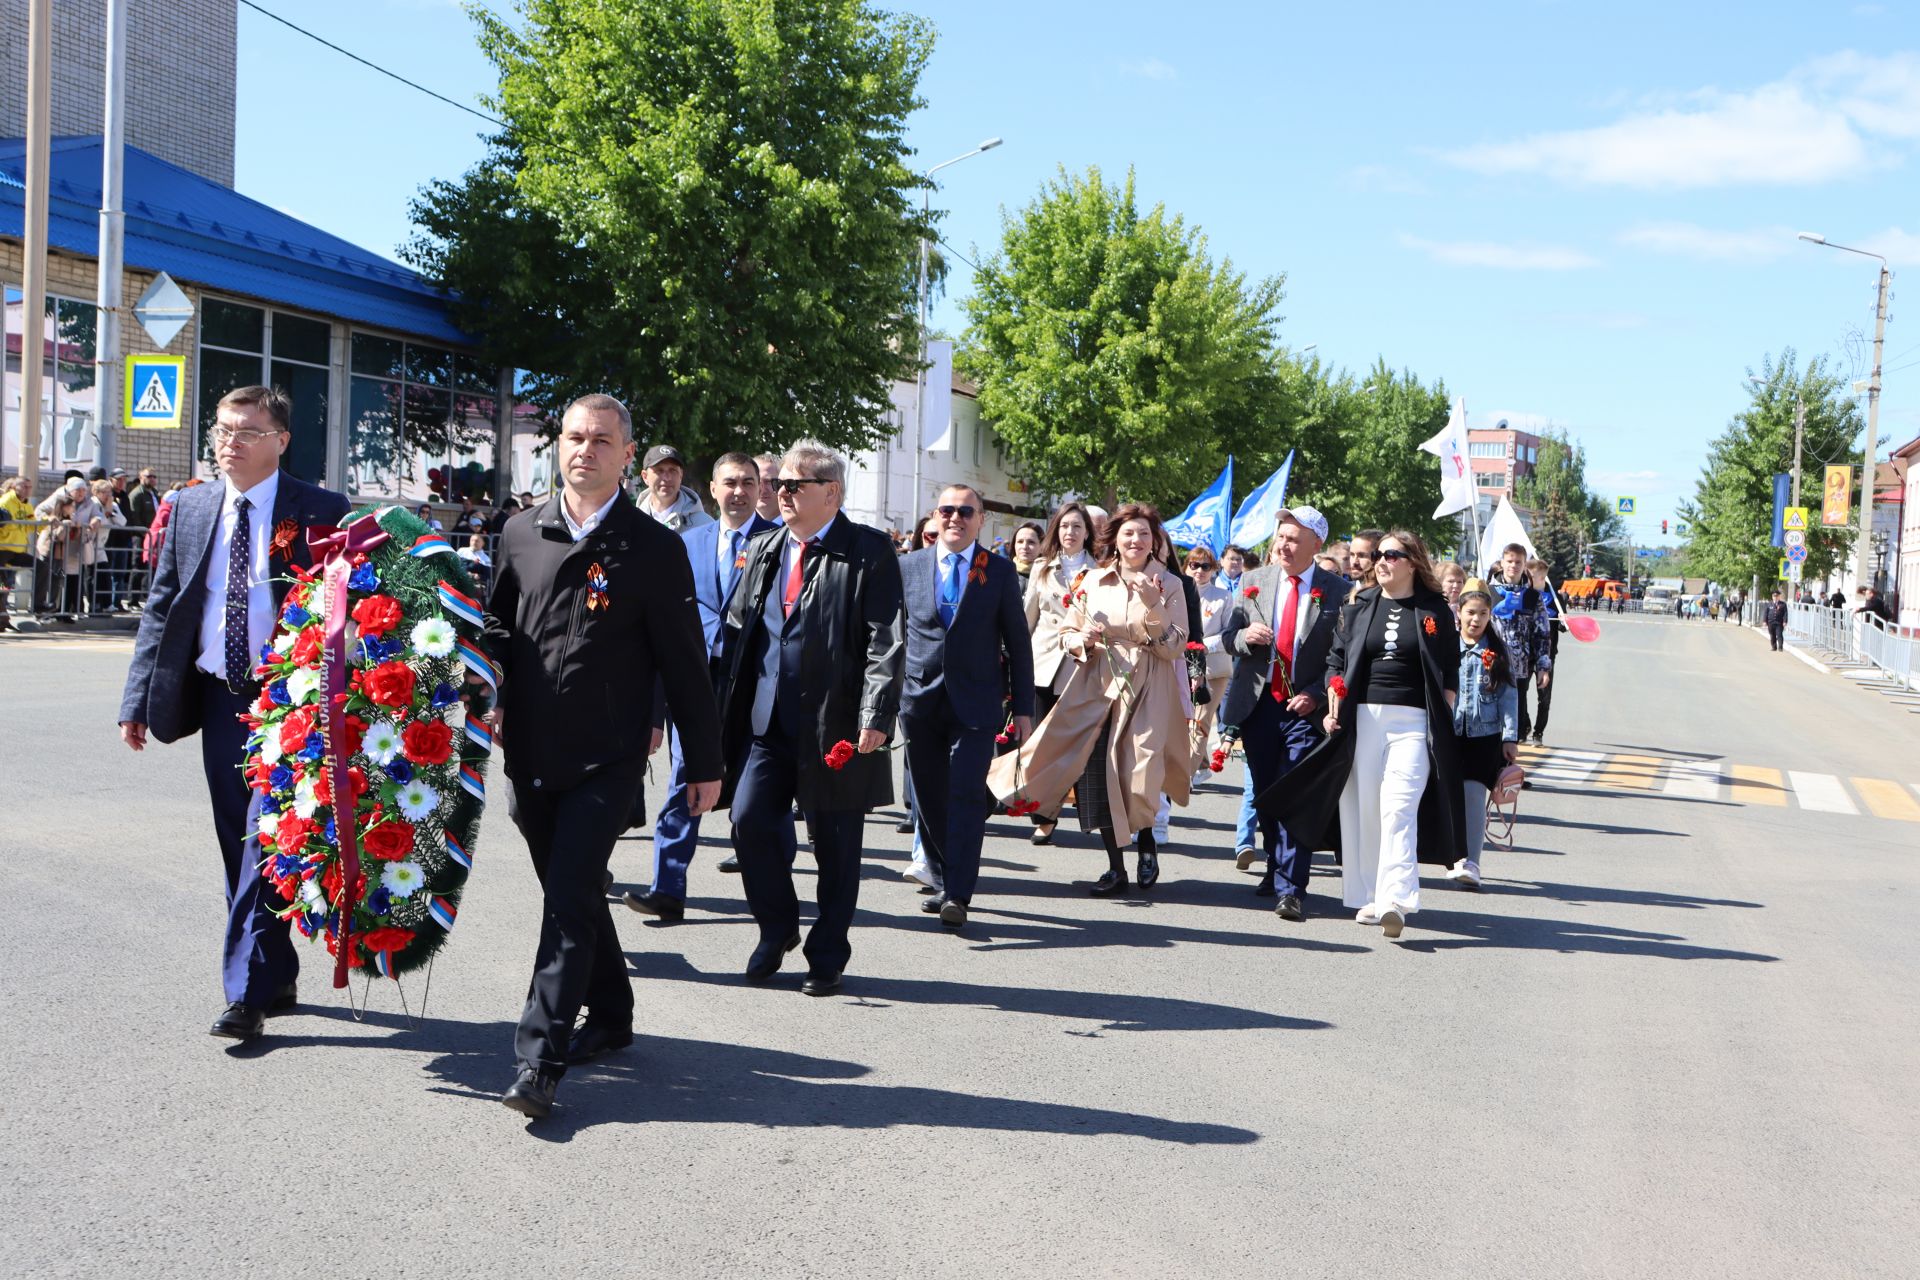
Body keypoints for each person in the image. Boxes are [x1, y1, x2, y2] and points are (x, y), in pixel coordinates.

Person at [483, 393, 723, 1118]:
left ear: (627, 455)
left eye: (601, 440)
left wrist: (704, 762)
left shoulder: (654, 549)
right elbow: (494, 627)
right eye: (574, 437)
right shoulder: (521, 532)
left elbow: (684, 664)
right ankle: (612, 1015)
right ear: (558, 445)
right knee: (575, 891)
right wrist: (479, 686)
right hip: (528, 751)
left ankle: (539, 1061)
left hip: (607, 758)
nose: (584, 449)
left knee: (566, 900)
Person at [118, 385, 351, 1042]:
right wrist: (137, 699)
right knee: (237, 844)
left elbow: (346, 608)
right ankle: (274, 970)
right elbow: (162, 609)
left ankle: (244, 992)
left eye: (247, 430)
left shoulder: (321, 511)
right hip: (220, 699)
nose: (230, 441)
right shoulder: (189, 507)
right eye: (222, 428)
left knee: (261, 838)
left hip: (289, 703)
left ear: (280, 440)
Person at [715, 439, 904, 996]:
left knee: (837, 846)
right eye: (781, 486)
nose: (781, 494)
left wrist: (875, 712)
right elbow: (739, 631)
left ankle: (827, 955)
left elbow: (885, 639)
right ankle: (776, 930)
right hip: (769, 721)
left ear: (832, 493)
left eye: (794, 486)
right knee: (748, 820)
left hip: (836, 725)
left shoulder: (867, 550)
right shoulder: (768, 546)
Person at [1261, 530, 1463, 941]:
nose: (1381, 561)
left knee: (1398, 808)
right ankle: (1371, 894)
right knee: (1366, 809)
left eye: (1391, 554)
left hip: (1413, 723)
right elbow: (1337, 660)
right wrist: (1334, 691)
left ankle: (1395, 899)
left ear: (1412, 561)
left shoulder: (1435, 610)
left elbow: (1450, 670)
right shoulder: (1359, 604)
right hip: (1365, 720)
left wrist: (1443, 716)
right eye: (1379, 554)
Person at [988, 503, 1190, 896]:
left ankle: (1146, 842)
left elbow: (1174, 646)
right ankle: (1116, 867)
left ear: (1155, 542)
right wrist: (1081, 641)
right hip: (1097, 684)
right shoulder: (1093, 580)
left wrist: (1153, 605)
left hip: (1148, 685)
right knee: (1098, 772)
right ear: (1114, 537)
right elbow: (1067, 631)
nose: (1136, 541)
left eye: (1145, 534)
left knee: (1139, 770)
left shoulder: (1169, 584)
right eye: (1129, 533)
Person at [627, 452, 777, 915]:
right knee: (682, 780)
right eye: (730, 482)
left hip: (754, 682)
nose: (739, 491)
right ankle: (668, 889)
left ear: (760, 490)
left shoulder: (779, 544)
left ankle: (772, 897)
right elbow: (659, 624)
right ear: (711, 489)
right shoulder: (688, 543)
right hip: (694, 679)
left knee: (761, 790)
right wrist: (653, 710)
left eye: (749, 483)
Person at [899, 485, 1034, 928]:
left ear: (980, 520)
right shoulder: (909, 566)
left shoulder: (996, 571)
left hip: (976, 704)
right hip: (919, 701)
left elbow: (1018, 643)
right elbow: (891, 638)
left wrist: (1024, 710)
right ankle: (940, 878)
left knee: (965, 794)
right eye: (946, 510)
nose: (955, 518)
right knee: (928, 798)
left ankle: (958, 891)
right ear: (935, 517)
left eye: (965, 511)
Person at [1220, 507, 1348, 919]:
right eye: (1281, 536)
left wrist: (1315, 693)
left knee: (1295, 792)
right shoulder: (1254, 581)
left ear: (1316, 544)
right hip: (1259, 705)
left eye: (1294, 538)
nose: (1284, 545)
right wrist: (1243, 636)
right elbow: (1227, 635)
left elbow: (1339, 654)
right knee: (1265, 793)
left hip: (1305, 711)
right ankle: (1276, 865)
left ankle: (1292, 887)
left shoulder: (1337, 591)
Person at [1021, 501, 1096, 845]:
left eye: (1077, 526)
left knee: (1071, 744)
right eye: (1065, 526)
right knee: (1039, 743)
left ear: (1087, 533)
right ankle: (1044, 813)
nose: (1070, 532)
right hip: (1041, 663)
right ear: (1056, 530)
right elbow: (1027, 619)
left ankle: (1068, 809)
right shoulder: (1042, 568)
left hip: (1080, 667)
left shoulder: (1100, 571)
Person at [1447, 581, 1519, 890]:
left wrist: (1510, 737)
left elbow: (1509, 696)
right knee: (1447, 799)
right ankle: (1451, 854)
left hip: (1484, 736)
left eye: (1483, 613)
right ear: (1459, 613)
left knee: (1474, 796)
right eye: (1471, 613)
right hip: (1448, 734)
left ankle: (1472, 861)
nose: (1476, 620)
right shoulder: (1447, 648)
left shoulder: (1497, 653)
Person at [1489, 545, 1554, 744]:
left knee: (1513, 723)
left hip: (1519, 668)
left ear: (1524, 564)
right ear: (1502, 563)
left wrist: (1543, 667)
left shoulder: (1532, 597)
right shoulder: (1489, 591)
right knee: (1490, 719)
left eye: (1518, 562)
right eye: (1509, 561)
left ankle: (1509, 764)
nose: (1513, 566)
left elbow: (1542, 634)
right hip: (1489, 665)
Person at [1184, 544, 1233, 787]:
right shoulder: (1177, 592)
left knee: (1200, 722)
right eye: (1194, 565)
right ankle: (1199, 763)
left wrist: (1202, 645)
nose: (1199, 571)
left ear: (1213, 569)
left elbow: (1229, 633)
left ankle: (1185, 776)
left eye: (1205, 566)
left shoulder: (1223, 596)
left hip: (1212, 669)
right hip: (1180, 667)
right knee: (1182, 722)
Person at [33, 481, 85, 621]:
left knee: (56, 583)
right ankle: (40, 611)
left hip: (59, 556)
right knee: (45, 583)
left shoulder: (69, 519)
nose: (74, 509)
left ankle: (52, 610)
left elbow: (72, 538)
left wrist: (77, 528)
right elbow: (58, 537)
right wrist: (64, 526)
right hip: (48, 553)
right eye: (71, 506)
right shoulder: (55, 519)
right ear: (64, 507)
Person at [637, 443, 714, 531]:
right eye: (659, 471)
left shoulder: (704, 525)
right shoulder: (631, 522)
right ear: (645, 476)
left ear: (681, 475)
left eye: (672, 470)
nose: (667, 477)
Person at [85, 479, 127, 612]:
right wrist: (106, 514)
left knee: (104, 573)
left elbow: (122, 522)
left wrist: (110, 512)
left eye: (110, 492)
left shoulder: (112, 505)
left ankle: (107, 603)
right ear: (96, 492)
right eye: (105, 492)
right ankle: (94, 604)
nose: (108, 495)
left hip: (101, 543)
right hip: (89, 542)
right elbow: (98, 522)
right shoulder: (91, 503)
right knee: (92, 575)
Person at [0, 475, 34, 630]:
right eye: (24, 486)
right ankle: (3, 619)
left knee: (4, 586)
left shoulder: (24, 504)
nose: (27, 490)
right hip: (4, 548)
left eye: (29, 487)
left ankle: (3, 619)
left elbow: (31, 523)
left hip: (14, 550)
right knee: (3, 586)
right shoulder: (6, 502)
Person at [1346, 530, 1383, 595]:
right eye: (1352, 554)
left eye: (1361, 556)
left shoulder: (1388, 594)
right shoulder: (1344, 590)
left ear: (1378, 557)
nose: (1354, 562)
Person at [752, 452, 783, 525]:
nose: (761, 489)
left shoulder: (798, 530)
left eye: (768, 481)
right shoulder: (739, 530)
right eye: (756, 482)